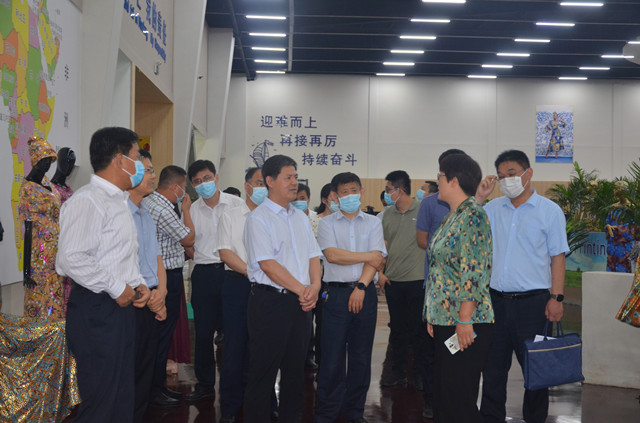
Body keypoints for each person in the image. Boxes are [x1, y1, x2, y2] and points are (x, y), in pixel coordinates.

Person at [57, 127, 151, 422]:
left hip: (119, 307)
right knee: (101, 401)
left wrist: (138, 283)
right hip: (97, 309)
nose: (139, 165)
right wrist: (116, 287)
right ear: (120, 160)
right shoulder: (89, 200)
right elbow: (71, 258)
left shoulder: (119, 201)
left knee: (121, 397)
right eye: (136, 157)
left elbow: (118, 256)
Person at [476, 150, 569, 423]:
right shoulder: (491, 209)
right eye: (501, 176)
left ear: (528, 173)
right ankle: (491, 417)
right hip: (495, 302)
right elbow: (466, 228)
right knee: (492, 369)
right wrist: (479, 197)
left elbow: (557, 257)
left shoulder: (549, 211)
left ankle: (535, 419)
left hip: (534, 305)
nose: (507, 180)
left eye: (512, 173)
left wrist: (557, 298)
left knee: (536, 370)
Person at [243, 154, 322, 423]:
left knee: (295, 373)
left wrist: (315, 286)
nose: (294, 182)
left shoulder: (300, 217)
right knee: (262, 374)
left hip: (301, 303)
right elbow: (268, 265)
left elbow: (313, 256)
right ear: (270, 181)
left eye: (295, 177)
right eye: (288, 177)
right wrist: (303, 290)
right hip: (270, 303)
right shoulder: (259, 219)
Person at [424, 153, 494, 422]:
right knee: (444, 395)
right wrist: (433, 315)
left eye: (440, 176)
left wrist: (464, 320)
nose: (437, 181)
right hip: (446, 318)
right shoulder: (453, 216)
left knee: (459, 400)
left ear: (454, 180)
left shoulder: (473, 216)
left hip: (467, 321)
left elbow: (474, 273)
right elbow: (440, 271)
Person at [315, 172, 386, 423]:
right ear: (335, 196)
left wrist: (361, 287)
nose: (350, 196)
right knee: (331, 358)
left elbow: (378, 259)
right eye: (344, 192)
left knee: (361, 357)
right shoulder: (326, 224)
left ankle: (354, 412)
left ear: (361, 191)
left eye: (354, 190)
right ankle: (326, 413)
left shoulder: (373, 222)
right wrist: (367, 256)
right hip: (335, 295)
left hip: (364, 294)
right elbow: (333, 256)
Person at [415, 148, 466, 418]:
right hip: (435, 290)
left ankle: (456, 403)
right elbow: (422, 240)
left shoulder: (473, 208)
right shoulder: (429, 203)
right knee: (433, 351)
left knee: (459, 350)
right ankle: (431, 400)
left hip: (463, 296)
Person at [187, 159, 244, 402]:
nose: (204, 184)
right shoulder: (191, 210)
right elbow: (188, 243)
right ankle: (205, 384)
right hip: (204, 274)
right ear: (193, 185)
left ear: (216, 177)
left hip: (233, 272)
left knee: (235, 331)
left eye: (207, 178)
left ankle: (237, 383)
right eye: (197, 181)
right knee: (203, 332)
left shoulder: (236, 204)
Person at [217, 167, 270, 423]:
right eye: (258, 183)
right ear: (247, 186)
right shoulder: (231, 216)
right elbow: (225, 252)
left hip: (269, 287)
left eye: (265, 183)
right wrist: (252, 273)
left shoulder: (275, 215)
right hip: (238, 284)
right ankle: (229, 406)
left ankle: (266, 404)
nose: (262, 188)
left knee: (265, 348)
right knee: (235, 347)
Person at [143, 165, 195, 407]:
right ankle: (156, 390)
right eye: (183, 188)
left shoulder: (151, 202)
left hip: (159, 276)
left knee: (159, 336)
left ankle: (157, 387)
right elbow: (188, 238)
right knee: (162, 336)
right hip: (167, 278)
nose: (184, 193)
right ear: (175, 187)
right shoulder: (163, 208)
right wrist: (187, 210)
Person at [128, 149, 168, 422]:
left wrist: (160, 295)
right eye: (147, 170)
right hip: (129, 301)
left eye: (153, 170)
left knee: (145, 371)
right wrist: (152, 297)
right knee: (127, 375)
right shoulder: (119, 213)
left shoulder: (146, 213)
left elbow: (157, 259)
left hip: (150, 300)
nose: (153, 176)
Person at [379, 170, 426, 389]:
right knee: (397, 330)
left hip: (418, 280)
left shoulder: (423, 209)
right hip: (393, 281)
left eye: (389, 189)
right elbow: (384, 246)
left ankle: (418, 375)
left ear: (401, 189)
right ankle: (397, 372)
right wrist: (381, 272)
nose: (387, 193)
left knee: (418, 330)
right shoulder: (387, 214)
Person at [19, 137, 63, 320]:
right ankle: (38, 337)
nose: (47, 164)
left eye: (49, 160)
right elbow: (28, 229)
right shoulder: (28, 189)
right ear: (35, 160)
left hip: (55, 253)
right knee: (40, 300)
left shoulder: (48, 183)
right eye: (44, 160)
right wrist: (26, 270)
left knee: (54, 298)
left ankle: (54, 337)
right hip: (39, 254)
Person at [51, 147, 77, 313]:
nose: (69, 166)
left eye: (72, 163)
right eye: (66, 162)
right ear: (58, 161)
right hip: (54, 245)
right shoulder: (50, 189)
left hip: (70, 244)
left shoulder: (69, 189)